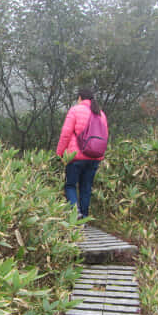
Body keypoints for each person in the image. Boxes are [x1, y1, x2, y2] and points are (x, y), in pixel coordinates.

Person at [56, 88, 108, 219]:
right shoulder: (101, 113)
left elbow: (65, 134)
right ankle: (84, 217)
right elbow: (105, 135)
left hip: (76, 156)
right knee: (86, 187)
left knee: (70, 185)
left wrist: (60, 153)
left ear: (80, 98)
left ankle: (75, 214)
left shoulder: (75, 110)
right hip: (95, 156)